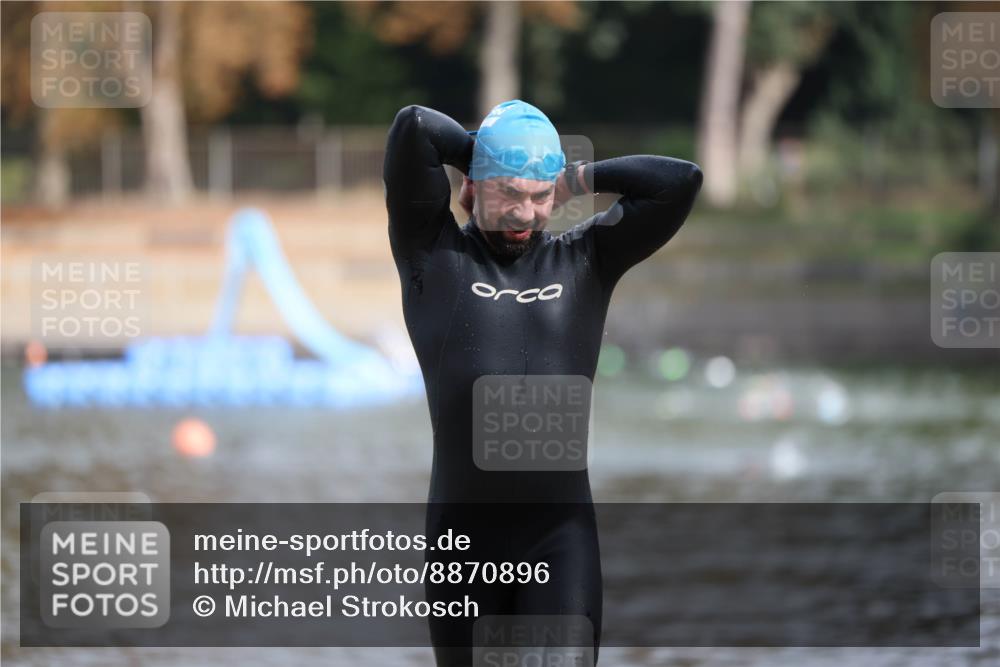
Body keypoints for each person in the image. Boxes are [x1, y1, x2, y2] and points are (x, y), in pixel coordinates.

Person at [383, 99, 702, 666]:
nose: (525, 213)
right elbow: (414, 128)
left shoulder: (585, 259)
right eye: (508, 192)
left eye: (539, 196)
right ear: (472, 188)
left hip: (559, 542)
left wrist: (575, 176)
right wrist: (484, 153)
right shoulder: (433, 256)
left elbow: (678, 183)